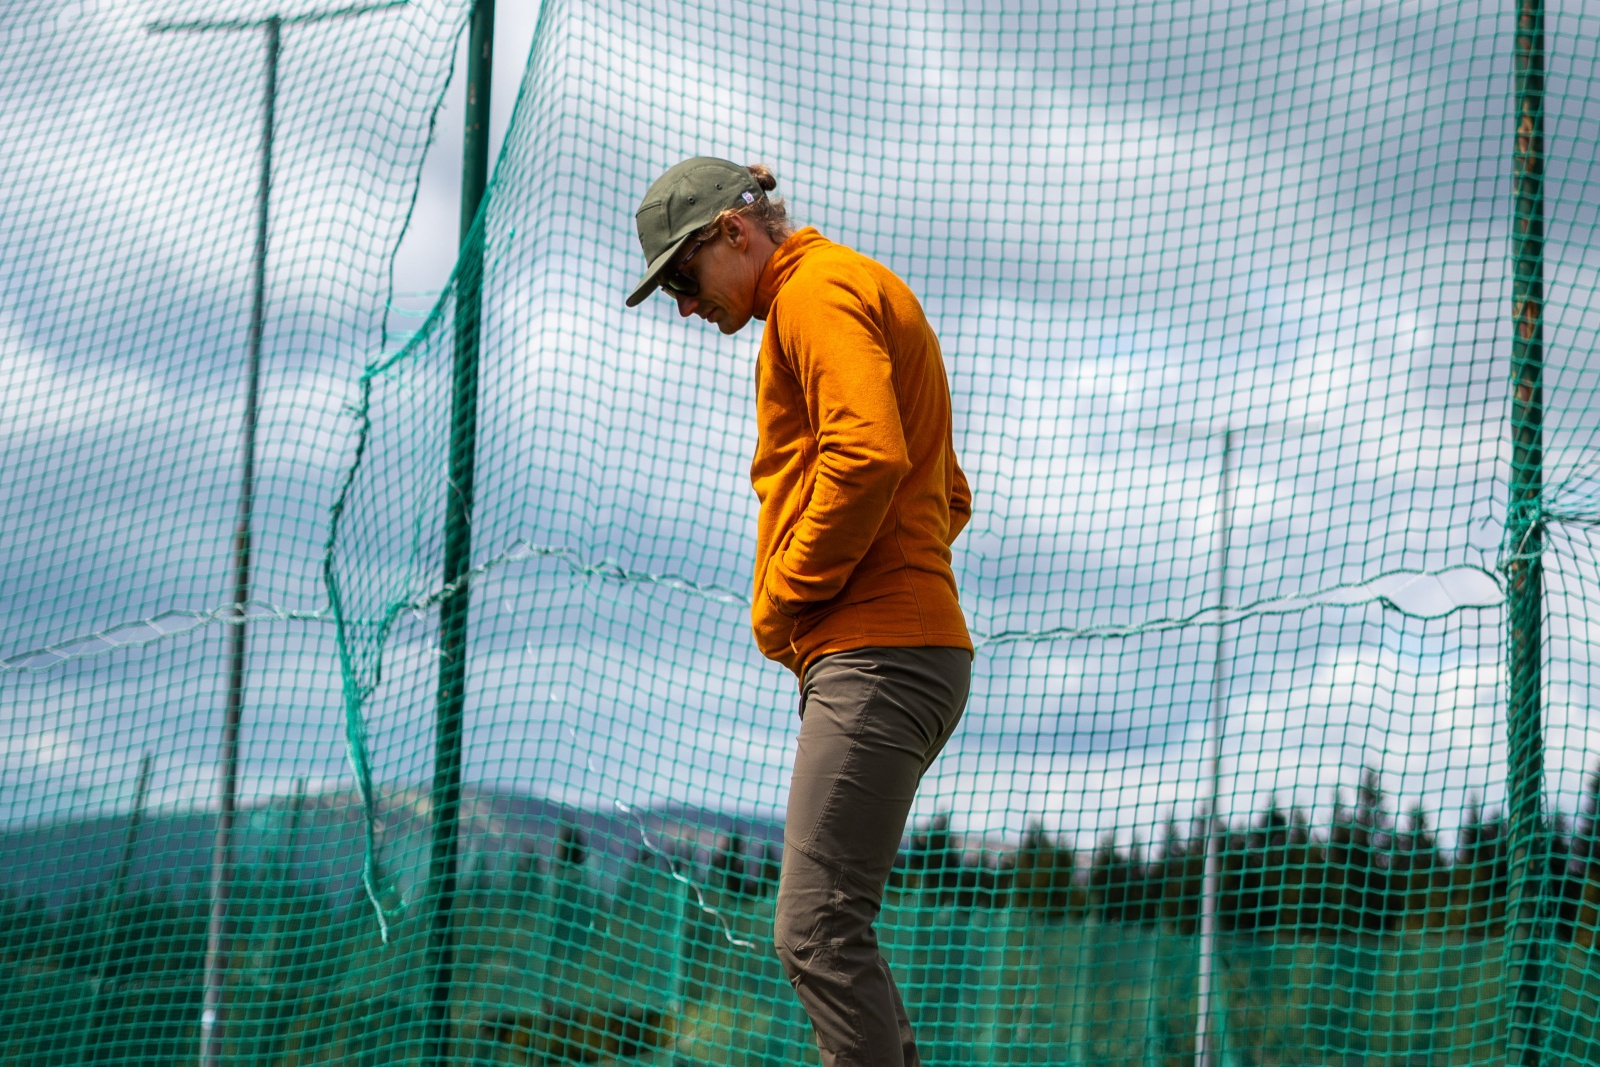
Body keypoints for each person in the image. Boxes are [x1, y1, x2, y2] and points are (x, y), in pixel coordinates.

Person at [625, 156, 973, 1067]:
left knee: (814, 927)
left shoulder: (813, 295)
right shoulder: (845, 286)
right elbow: (948, 493)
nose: (685, 308)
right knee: (828, 925)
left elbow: (868, 457)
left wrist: (788, 593)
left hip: (878, 653)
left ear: (734, 233)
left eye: (684, 279)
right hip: (896, 645)